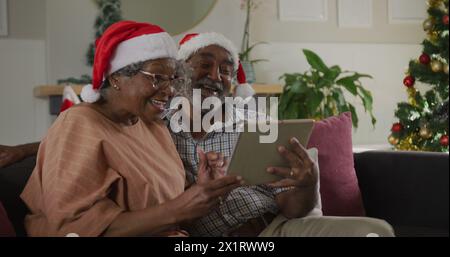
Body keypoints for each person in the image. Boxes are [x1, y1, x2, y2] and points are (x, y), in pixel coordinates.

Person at [19, 21, 243, 237]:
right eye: (157, 78)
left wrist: (201, 190)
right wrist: (178, 209)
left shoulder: (152, 125)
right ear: (116, 77)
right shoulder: (79, 123)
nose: (171, 90)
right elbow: (71, 229)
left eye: (174, 79)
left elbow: (172, 214)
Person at [170, 32, 395, 237]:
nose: (215, 76)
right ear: (180, 71)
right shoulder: (160, 128)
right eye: (205, 64)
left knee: (375, 232)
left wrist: (307, 184)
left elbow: (292, 206)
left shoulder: (259, 124)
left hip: (273, 229)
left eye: (226, 71)